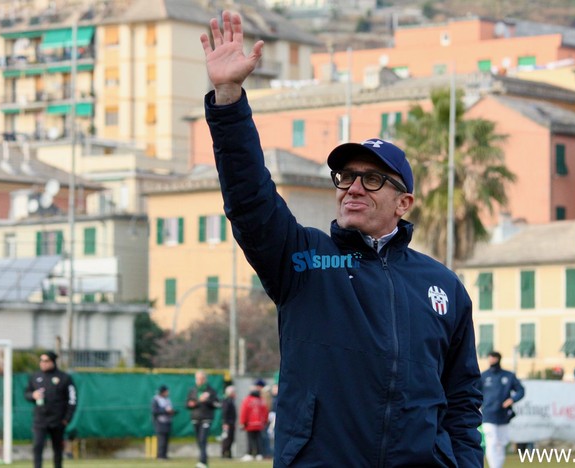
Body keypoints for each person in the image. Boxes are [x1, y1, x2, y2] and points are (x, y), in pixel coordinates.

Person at [200, 11, 483, 467]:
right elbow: (249, 199)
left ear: (403, 203)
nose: (352, 187)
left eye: (372, 180)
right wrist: (229, 98)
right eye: (346, 176)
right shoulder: (303, 260)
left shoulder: (443, 286)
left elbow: (463, 401)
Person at [24, 351, 77, 468]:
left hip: (58, 420)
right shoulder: (35, 376)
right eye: (41, 361)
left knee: (57, 449)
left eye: (46, 361)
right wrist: (33, 395)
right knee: (37, 446)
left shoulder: (64, 378)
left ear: (53, 362)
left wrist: (67, 419)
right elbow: (26, 393)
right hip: (40, 419)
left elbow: (72, 400)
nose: (43, 363)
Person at [481, 351, 525, 468]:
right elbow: (475, 392)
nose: (491, 360)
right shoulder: (484, 376)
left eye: (494, 358)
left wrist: (512, 399)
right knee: (492, 443)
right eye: (490, 358)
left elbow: (521, 391)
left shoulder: (508, 376)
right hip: (488, 416)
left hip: (504, 416)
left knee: (501, 444)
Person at [185, 371, 221, 468]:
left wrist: (208, 400)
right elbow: (188, 404)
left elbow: (217, 404)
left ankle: (203, 461)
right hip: (196, 418)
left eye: (201, 378)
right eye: (198, 378)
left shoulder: (211, 391)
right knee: (199, 440)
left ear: (205, 379)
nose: (200, 380)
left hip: (206, 418)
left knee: (203, 439)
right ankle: (202, 459)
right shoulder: (193, 390)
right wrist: (197, 401)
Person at [239, 380, 269, 461]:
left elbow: (244, 412)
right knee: (259, 439)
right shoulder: (261, 400)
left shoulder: (247, 400)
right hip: (259, 424)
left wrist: (242, 422)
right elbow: (265, 412)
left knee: (250, 439)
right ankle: (259, 454)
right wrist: (265, 421)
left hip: (250, 424)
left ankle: (250, 454)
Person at [151, 385, 175, 460]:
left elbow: (170, 408)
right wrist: (165, 410)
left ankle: (164, 455)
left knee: (166, 439)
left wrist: (172, 412)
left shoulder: (167, 399)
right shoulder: (156, 399)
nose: (168, 393)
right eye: (166, 391)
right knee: (161, 439)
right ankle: (160, 456)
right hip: (160, 422)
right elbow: (154, 411)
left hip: (167, 421)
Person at [220, 385, 237, 459]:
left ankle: (229, 453)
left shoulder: (230, 400)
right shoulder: (227, 401)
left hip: (231, 422)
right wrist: (225, 423)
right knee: (227, 439)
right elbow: (225, 412)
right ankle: (224, 453)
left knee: (230, 438)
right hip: (228, 423)